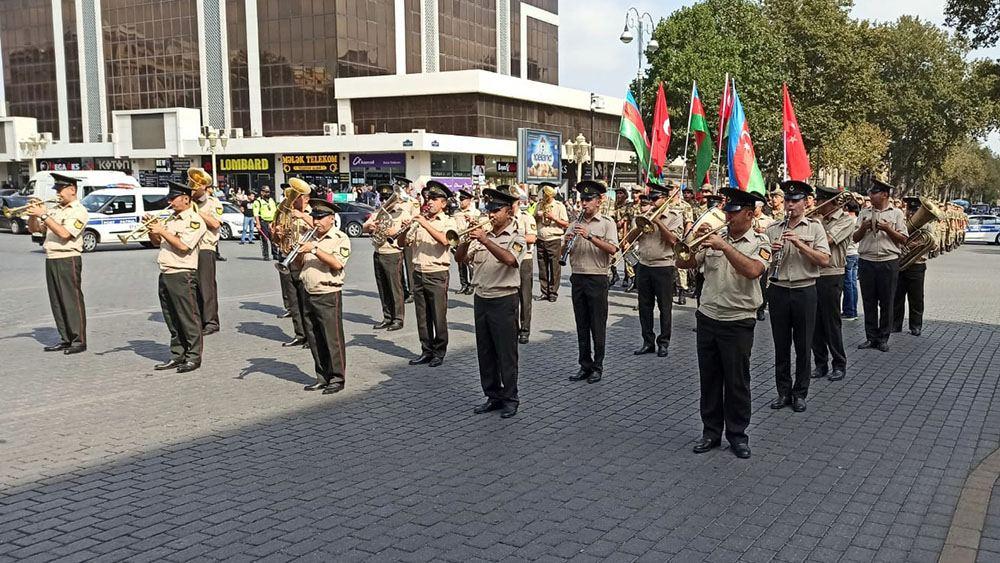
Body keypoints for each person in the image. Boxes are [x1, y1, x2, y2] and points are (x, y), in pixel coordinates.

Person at [675, 187, 770, 459]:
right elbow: (685, 263)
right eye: (727, 211)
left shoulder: (760, 243)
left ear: (750, 214)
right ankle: (711, 432)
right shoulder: (715, 238)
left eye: (734, 211)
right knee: (710, 379)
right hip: (708, 317)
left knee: (737, 381)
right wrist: (693, 239)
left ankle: (738, 435)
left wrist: (724, 246)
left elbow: (753, 271)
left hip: (738, 321)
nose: (728, 216)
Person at [456, 188, 527, 418]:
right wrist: (466, 241)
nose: (491, 214)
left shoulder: (516, 237)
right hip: (482, 298)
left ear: (508, 212)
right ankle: (493, 395)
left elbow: (510, 260)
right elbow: (459, 258)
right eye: (489, 210)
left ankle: (510, 398)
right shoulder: (481, 235)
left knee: (506, 353)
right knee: (485, 352)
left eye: (496, 210)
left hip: (504, 299)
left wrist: (485, 240)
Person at [764, 181, 831, 413]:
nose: (790, 205)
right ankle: (783, 392)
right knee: (781, 345)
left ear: (805, 203)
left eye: (795, 201)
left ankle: (800, 393)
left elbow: (824, 260)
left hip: (805, 289)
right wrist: (769, 253)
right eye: (788, 201)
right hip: (779, 289)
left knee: (803, 345)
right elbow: (760, 261)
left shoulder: (814, 228)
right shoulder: (773, 228)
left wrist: (800, 244)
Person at [25, 173, 89, 354]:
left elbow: (64, 234)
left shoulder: (79, 211)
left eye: (61, 190)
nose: (58, 194)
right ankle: (65, 338)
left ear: (72, 190)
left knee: (71, 300)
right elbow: (36, 230)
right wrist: (32, 214)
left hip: (68, 258)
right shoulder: (56, 210)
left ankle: (78, 340)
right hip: (51, 257)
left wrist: (43, 214)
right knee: (57, 302)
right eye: (57, 190)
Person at [147, 181, 207, 373]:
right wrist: (151, 229)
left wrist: (162, 230)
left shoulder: (194, 221)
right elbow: (158, 242)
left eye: (173, 198)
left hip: (182, 273)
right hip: (166, 272)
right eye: (170, 198)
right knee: (172, 318)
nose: (170, 202)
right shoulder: (171, 220)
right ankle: (177, 354)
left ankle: (193, 356)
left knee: (188, 317)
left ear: (186, 199)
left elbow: (183, 247)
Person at [565, 180, 619, 384]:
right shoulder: (574, 223)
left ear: (599, 201)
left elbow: (613, 249)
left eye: (588, 199)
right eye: (582, 200)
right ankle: (584, 365)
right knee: (581, 325)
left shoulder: (607, 223)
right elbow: (563, 253)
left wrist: (590, 236)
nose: (584, 204)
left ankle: (598, 366)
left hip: (597, 277)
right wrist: (566, 242)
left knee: (597, 325)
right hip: (578, 276)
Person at [399, 181, 457, 367]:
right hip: (418, 272)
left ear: (443, 203)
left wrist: (425, 224)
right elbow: (401, 243)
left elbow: (445, 241)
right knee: (422, 316)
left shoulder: (449, 221)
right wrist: (406, 227)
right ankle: (426, 350)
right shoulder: (420, 220)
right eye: (428, 198)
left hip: (437, 273)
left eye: (434, 198)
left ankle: (439, 352)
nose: (429, 201)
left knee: (438, 316)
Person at [297, 199, 351, 394]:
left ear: (331, 219)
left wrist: (314, 249)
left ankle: (337, 377)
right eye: (314, 217)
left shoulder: (340, 238)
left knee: (332, 338)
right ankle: (322, 376)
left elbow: (337, 264)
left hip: (328, 292)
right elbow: (298, 264)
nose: (316, 221)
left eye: (320, 218)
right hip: (307, 291)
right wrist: (294, 250)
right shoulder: (308, 237)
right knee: (314, 337)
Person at [853, 179, 908, 352]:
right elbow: (855, 238)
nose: (870, 195)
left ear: (884, 194)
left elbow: (904, 239)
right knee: (869, 302)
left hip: (888, 261)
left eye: (874, 192)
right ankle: (871, 337)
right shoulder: (864, 212)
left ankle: (883, 338)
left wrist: (887, 229)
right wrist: (863, 227)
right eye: (870, 192)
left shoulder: (897, 213)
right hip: (867, 260)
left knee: (887, 302)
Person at [633, 182, 684, 358]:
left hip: (663, 267)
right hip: (644, 265)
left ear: (664, 199)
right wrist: (641, 224)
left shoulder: (674, 216)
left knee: (665, 307)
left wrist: (657, 222)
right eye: (650, 198)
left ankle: (664, 343)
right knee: (644, 307)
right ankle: (648, 342)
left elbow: (673, 241)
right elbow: (632, 238)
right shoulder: (643, 214)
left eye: (655, 199)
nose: (652, 202)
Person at [811, 186, 855, 383]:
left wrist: (813, 227)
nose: (816, 204)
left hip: (831, 274)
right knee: (814, 323)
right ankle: (820, 363)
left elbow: (825, 241)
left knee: (831, 323)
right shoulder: (816, 220)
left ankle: (839, 363)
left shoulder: (845, 221)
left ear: (831, 202)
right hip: (812, 274)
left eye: (820, 201)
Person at [363, 184, 411, 331]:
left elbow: (406, 232)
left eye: (388, 198)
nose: (385, 201)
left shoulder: (403, 213)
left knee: (395, 287)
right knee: (383, 287)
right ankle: (387, 317)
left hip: (393, 253)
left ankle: (398, 318)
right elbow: (365, 226)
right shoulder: (378, 212)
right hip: (378, 252)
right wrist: (370, 228)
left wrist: (391, 230)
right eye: (383, 198)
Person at [274, 180, 314, 347]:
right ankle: (300, 334)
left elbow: (319, 228)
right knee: (294, 302)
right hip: (288, 259)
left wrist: (303, 215)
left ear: (306, 199)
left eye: (297, 197)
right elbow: (276, 240)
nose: (292, 200)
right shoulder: (285, 212)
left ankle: (312, 338)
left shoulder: (314, 213)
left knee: (307, 303)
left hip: (304, 262)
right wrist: (277, 234)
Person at [893, 197, 936, 336]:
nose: (911, 213)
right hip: (900, 265)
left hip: (917, 264)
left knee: (916, 298)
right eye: (909, 210)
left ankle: (916, 325)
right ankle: (895, 324)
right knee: (897, 296)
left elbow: (934, 244)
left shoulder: (927, 225)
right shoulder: (900, 223)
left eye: (915, 210)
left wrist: (916, 244)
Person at [189, 168, 224, 336]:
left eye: (196, 186)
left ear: (204, 187)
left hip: (205, 248)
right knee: (193, 286)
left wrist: (196, 211)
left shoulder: (212, 203)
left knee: (206, 285)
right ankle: (198, 319)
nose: (192, 189)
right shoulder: (189, 203)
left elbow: (215, 224)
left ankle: (211, 321)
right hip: (190, 248)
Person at [509, 186, 538, 343]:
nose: (510, 206)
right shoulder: (505, 218)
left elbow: (532, 238)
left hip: (524, 259)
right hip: (509, 259)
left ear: (518, 203)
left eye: (512, 203)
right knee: (510, 296)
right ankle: (512, 327)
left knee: (524, 296)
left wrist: (515, 236)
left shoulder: (526, 218)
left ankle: (525, 329)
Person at [534, 183, 569, 302]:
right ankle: (544, 292)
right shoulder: (539, 205)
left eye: (547, 195)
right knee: (542, 268)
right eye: (544, 194)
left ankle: (553, 292)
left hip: (553, 239)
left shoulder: (559, 206)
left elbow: (566, 223)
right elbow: (533, 220)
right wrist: (537, 215)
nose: (545, 197)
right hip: (540, 239)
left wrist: (554, 218)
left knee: (555, 268)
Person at [452, 188, 481, 295]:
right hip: (459, 241)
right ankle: (464, 284)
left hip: (471, 241)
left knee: (470, 263)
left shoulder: (475, 212)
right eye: (460, 199)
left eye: (463, 199)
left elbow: (480, 225)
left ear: (469, 201)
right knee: (460, 264)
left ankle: (472, 285)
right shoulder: (456, 212)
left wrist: (473, 220)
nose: (461, 201)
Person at [842, 200, 861, 319]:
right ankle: (852, 310)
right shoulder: (858, 220)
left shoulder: (849, 221)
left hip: (848, 253)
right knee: (853, 284)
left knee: (848, 284)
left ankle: (849, 311)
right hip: (856, 253)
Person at [253, 186, 278, 260]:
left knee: (273, 239)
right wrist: (258, 224)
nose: (268, 193)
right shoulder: (258, 202)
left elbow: (275, 211)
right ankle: (266, 255)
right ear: (262, 192)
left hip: (272, 222)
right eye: (266, 192)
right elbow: (256, 214)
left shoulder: (271, 200)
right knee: (265, 239)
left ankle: (275, 254)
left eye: (269, 192)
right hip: (263, 222)